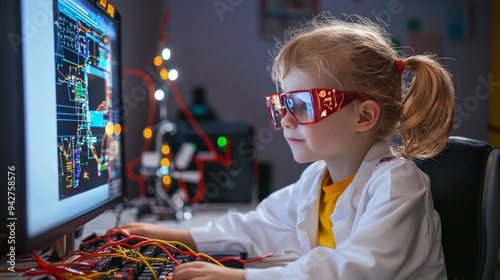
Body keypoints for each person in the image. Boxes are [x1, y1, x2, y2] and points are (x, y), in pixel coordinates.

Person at [111, 13, 454, 279]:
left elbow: (356, 269)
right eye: (281, 105)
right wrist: (181, 236)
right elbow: (258, 225)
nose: (286, 120)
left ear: (364, 116)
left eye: (302, 105)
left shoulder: (397, 185)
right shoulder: (316, 180)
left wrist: (239, 277)